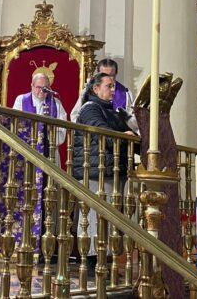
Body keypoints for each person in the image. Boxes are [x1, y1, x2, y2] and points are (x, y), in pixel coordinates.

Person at [0, 72, 67, 256]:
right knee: (26, 199)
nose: (41, 92)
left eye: (45, 88)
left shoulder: (55, 104)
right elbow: (15, 127)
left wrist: (47, 131)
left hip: (48, 159)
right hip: (26, 160)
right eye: (38, 88)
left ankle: (45, 246)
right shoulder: (21, 100)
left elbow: (62, 133)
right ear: (31, 86)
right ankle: (23, 240)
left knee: (47, 200)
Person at [73, 72, 132, 276]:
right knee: (94, 217)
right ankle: (92, 264)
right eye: (109, 86)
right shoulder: (90, 109)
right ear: (96, 88)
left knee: (109, 219)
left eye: (114, 86)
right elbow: (103, 133)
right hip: (95, 172)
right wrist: (124, 136)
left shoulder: (111, 111)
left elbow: (127, 132)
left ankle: (104, 262)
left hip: (110, 170)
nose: (113, 90)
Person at [70, 59, 138, 133]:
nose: (108, 78)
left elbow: (130, 122)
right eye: (104, 74)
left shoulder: (126, 93)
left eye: (111, 75)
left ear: (116, 73)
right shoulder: (88, 94)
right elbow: (76, 116)